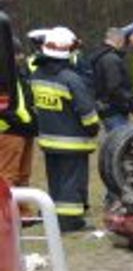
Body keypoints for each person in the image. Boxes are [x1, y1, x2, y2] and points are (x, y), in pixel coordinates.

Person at [30, 26, 99, 231]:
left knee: (57, 182)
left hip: (48, 139)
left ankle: (55, 218)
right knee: (72, 183)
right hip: (72, 141)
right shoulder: (70, 79)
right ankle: (70, 222)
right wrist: (93, 128)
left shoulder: (37, 76)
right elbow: (86, 111)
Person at [0, 37, 37, 190]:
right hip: (10, 131)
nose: (21, 57)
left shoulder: (19, 73)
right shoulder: (3, 75)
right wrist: (14, 120)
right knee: (7, 177)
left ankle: (23, 212)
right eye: (17, 54)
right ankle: (5, 213)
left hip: (25, 131)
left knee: (23, 178)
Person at [88, 27, 133, 132]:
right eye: (123, 41)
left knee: (112, 141)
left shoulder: (97, 55)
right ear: (119, 40)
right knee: (121, 144)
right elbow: (114, 87)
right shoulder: (111, 59)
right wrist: (131, 100)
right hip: (114, 110)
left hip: (104, 108)